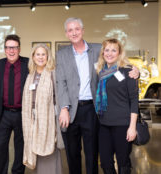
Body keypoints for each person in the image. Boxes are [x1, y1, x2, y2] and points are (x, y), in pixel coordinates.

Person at [56, 17, 139, 174]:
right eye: (70, 30)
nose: (74, 33)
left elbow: (119, 64)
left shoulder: (97, 49)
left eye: (77, 29)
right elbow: (61, 82)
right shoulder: (61, 54)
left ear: (83, 30)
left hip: (93, 110)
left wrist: (136, 72)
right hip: (71, 110)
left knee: (92, 154)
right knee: (72, 154)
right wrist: (64, 107)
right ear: (66, 33)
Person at [95, 38, 138, 174]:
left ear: (119, 53)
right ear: (103, 53)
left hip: (123, 124)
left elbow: (134, 100)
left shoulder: (128, 71)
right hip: (104, 124)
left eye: (114, 50)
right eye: (107, 50)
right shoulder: (100, 73)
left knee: (123, 162)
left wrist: (132, 127)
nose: (109, 53)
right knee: (106, 162)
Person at [22, 44, 63, 174]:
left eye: (43, 54)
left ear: (48, 56)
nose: (40, 57)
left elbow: (59, 99)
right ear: (33, 57)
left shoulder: (53, 74)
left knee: (49, 151)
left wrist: (56, 122)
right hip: (32, 120)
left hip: (49, 120)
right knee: (37, 151)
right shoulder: (30, 75)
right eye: (37, 54)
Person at [0, 34, 28, 174]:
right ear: (4, 49)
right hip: (4, 113)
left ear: (19, 49)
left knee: (21, 147)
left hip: (22, 114)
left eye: (14, 47)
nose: (11, 51)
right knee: (1, 147)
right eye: (8, 48)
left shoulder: (28, 64)